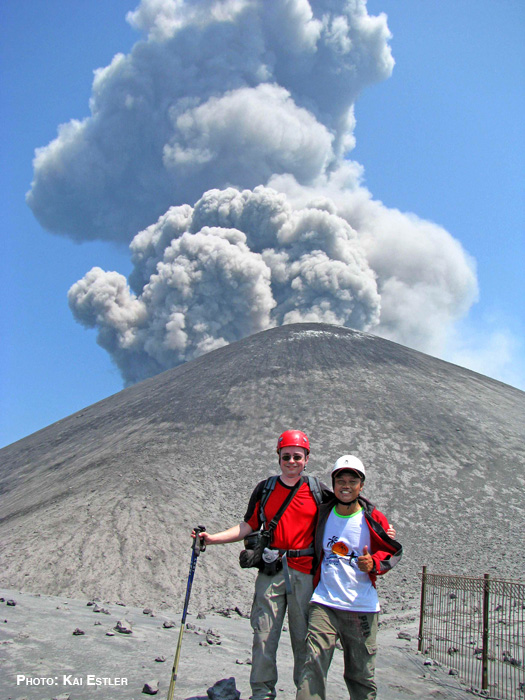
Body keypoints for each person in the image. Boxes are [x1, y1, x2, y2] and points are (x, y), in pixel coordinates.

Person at [194, 430, 332, 700]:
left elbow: (345, 513)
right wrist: (211, 540)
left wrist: (382, 529)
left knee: (304, 639)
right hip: (272, 572)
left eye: (297, 456)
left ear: (307, 458)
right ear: (278, 457)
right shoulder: (265, 489)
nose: (291, 461)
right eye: (286, 456)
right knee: (263, 635)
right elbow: (247, 525)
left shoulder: (318, 490)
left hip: (305, 573)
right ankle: (262, 694)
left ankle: (306, 695)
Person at [296, 455, 402, 700]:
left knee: (361, 675)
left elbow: (391, 549)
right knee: (313, 664)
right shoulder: (323, 513)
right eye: (340, 480)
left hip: (361, 607)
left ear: (361, 485)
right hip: (325, 602)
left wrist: (373, 563)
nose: (345, 485)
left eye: (352, 480)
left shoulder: (373, 518)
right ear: (333, 484)